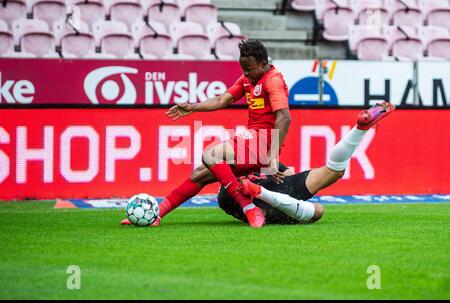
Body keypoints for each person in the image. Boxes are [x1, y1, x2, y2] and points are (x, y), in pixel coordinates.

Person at [121, 39, 291, 228]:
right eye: (243, 68)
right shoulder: (248, 79)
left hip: (263, 143)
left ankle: (248, 207)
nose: (245, 73)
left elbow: (284, 117)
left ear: (263, 63)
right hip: (252, 141)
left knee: (211, 155)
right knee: (200, 174)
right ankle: (156, 214)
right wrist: (192, 107)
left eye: (249, 68)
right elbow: (221, 100)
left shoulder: (273, 80)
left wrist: (273, 156)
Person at [218, 101, 396, 225]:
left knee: (319, 204)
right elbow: (287, 173)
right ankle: (360, 128)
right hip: (274, 189)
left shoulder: (224, 186)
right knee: (332, 175)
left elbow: (206, 175)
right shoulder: (256, 152)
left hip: (252, 196)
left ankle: (261, 192)